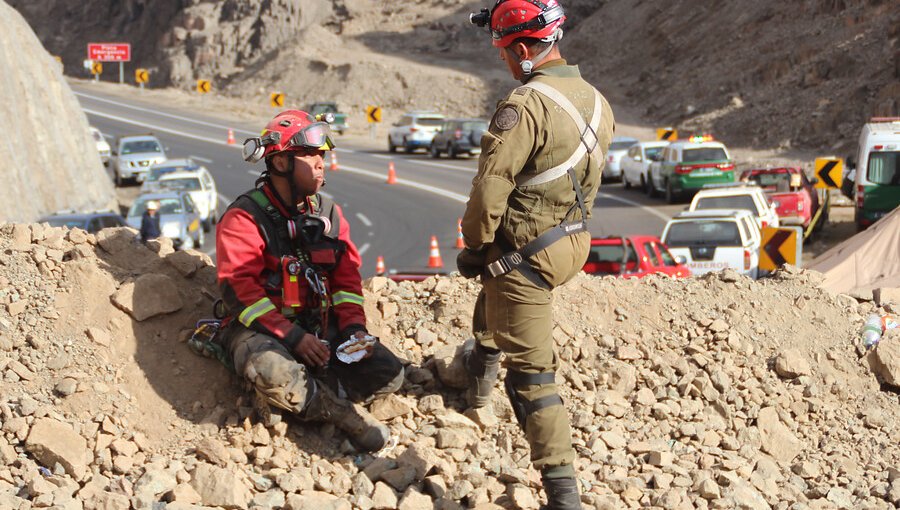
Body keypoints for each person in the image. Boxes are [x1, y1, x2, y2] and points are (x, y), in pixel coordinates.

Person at [457, 1, 615, 508]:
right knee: (498, 279)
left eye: (506, 50)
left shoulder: (524, 105)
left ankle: (562, 492)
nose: (505, 60)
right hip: (571, 242)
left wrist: (475, 244)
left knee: (532, 379)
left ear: (523, 49)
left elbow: (490, 190)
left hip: (526, 259)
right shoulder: (597, 101)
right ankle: (477, 372)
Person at [215, 110, 404, 452]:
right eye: (310, 155)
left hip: (318, 330)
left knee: (390, 373)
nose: (321, 164)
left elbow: (346, 281)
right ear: (282, 163)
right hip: (264, 332)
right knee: (270, 368)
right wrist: (292, 337)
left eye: (322, 155)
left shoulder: (328, 213)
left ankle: (304, 397)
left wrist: (352, 331)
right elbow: (238, 291)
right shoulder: (244, 217)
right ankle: (340, 415)